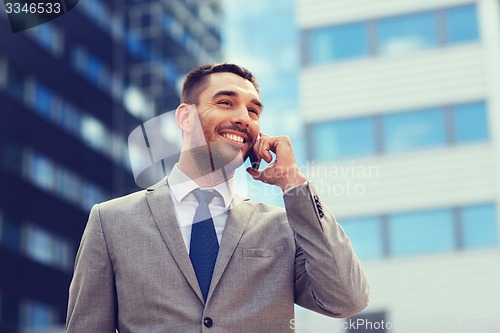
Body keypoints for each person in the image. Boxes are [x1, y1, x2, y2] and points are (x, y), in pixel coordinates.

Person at [66, 63, 370, 333]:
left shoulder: (284, 227)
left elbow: (347, 299)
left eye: (253, 111)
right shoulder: (111, 222)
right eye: (226, 102)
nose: (243, 118)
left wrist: (294, 184)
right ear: (185, 117)